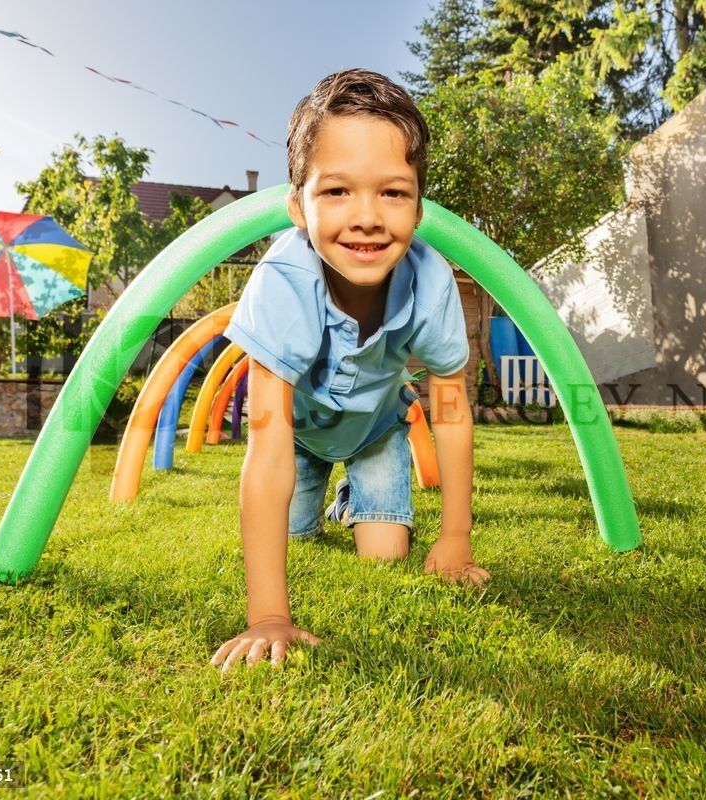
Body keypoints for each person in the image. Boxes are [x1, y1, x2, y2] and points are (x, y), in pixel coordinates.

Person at [211, 69, 491, 673]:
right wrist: (268, 615)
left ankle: (357, 494)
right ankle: (326, 497)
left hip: (377, 431)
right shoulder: (284, 282)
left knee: (386, 555)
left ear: (419, 207)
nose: (366, 217)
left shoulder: (431, 281)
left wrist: (455, 539)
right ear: (297, 206)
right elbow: (266, 440)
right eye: (337, 191)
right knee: (290, 538)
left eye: (392, 192)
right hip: (301, 437)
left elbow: (450, 410)